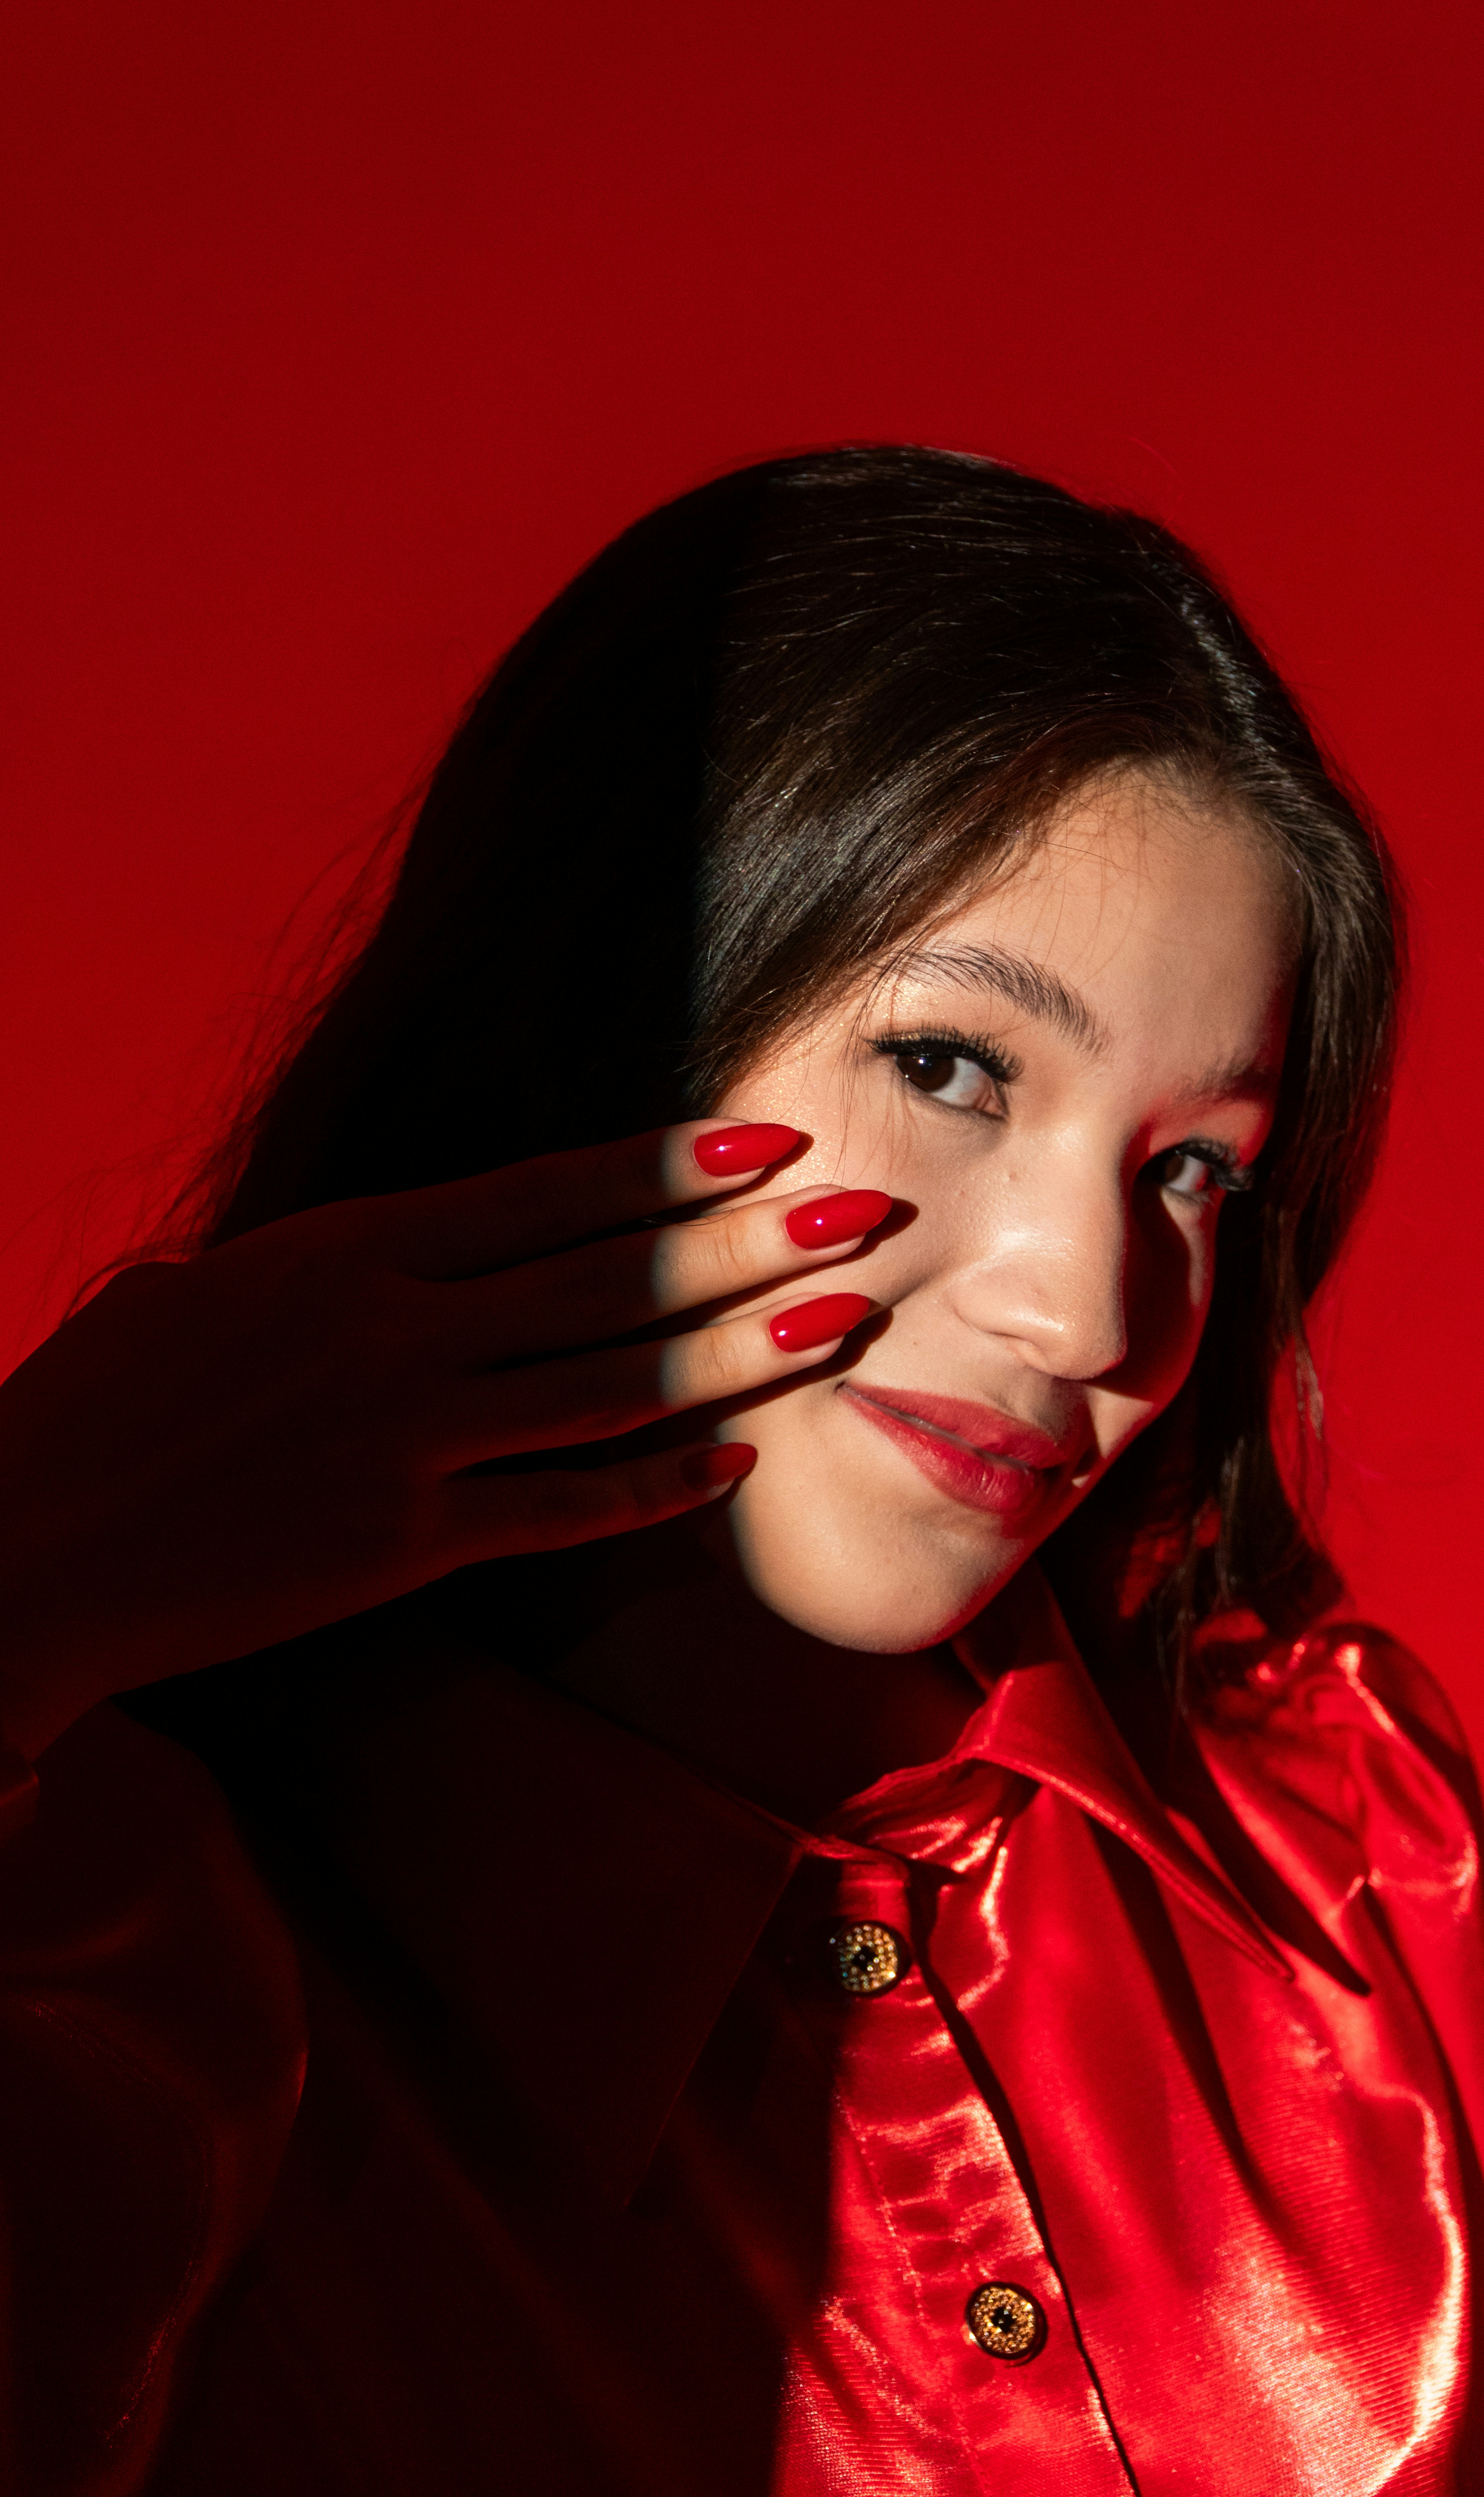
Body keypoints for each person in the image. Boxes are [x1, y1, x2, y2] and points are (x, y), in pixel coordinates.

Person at [0, 446, 1476, 2496]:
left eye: (1194, 1172)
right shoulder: (95, 1959)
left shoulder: (1370, 1869)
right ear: (598, 1030)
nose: (1089, 1313)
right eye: (952, 1065)